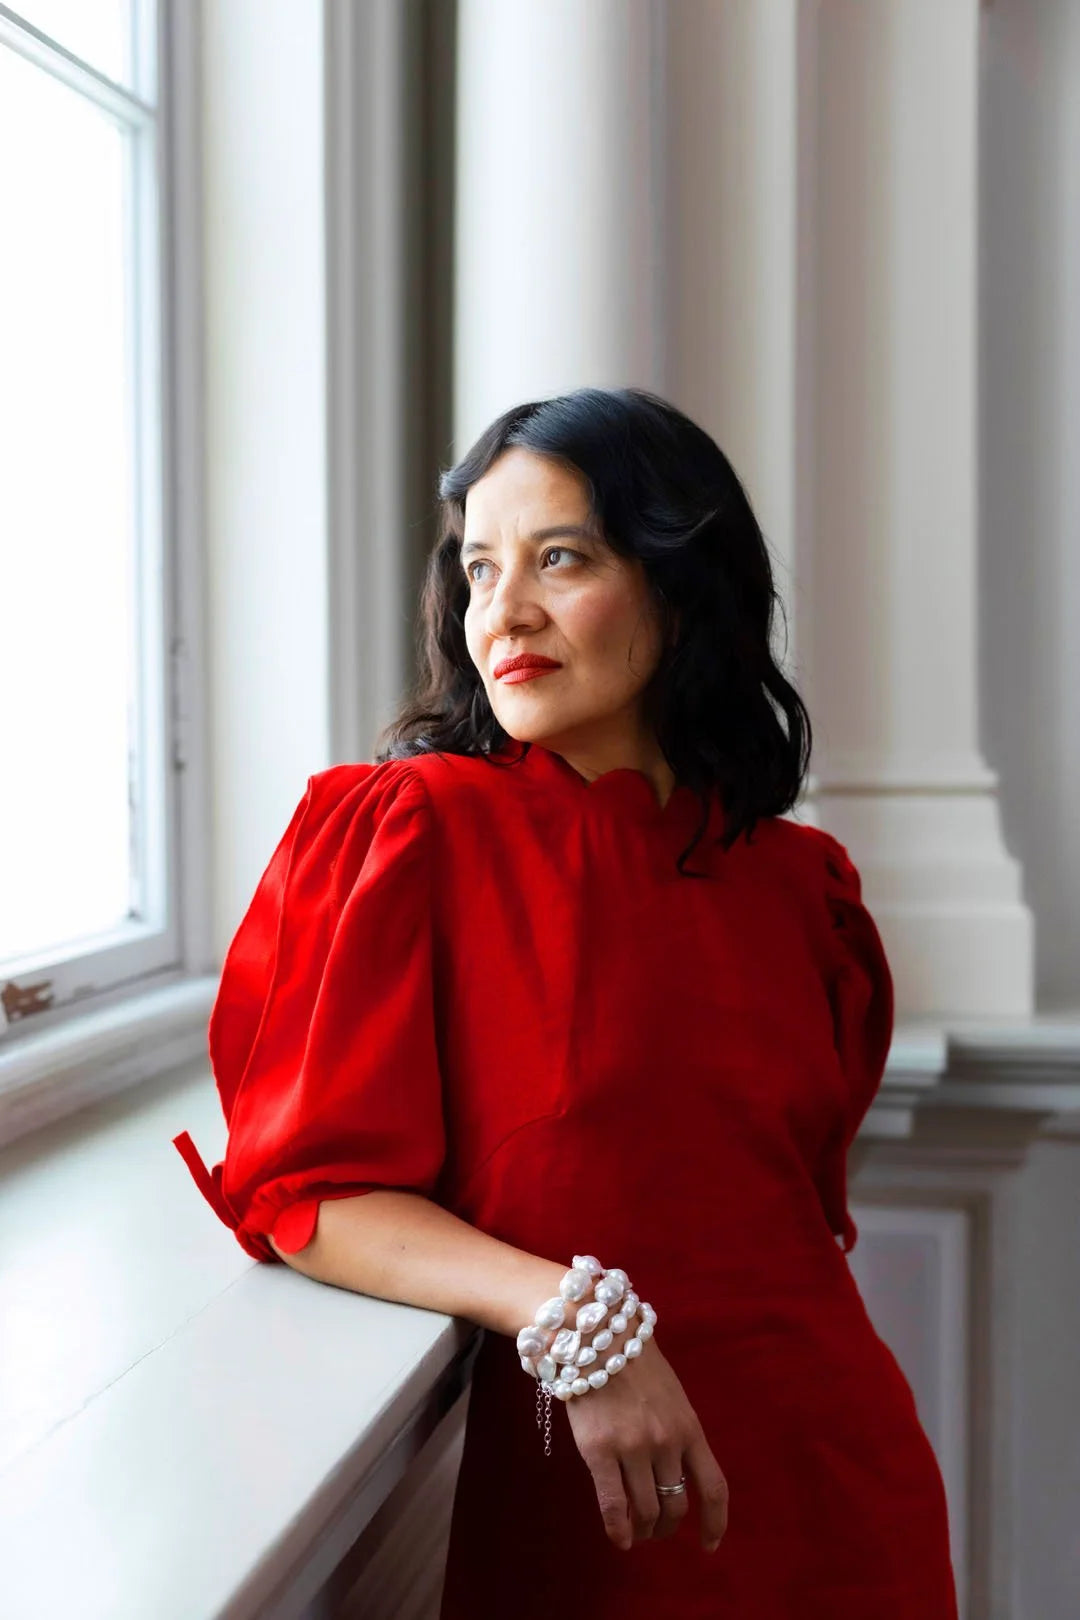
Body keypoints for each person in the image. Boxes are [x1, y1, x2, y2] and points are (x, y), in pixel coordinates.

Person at [173, 386, 959, 1618]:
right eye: (480, 570)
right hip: (591, 1501)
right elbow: (305, 1196)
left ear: (678, 583)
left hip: (839, 1480)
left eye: (561, 559)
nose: (507, 612)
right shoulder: (413, 831)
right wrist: (573, 1317)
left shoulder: (802, 887)